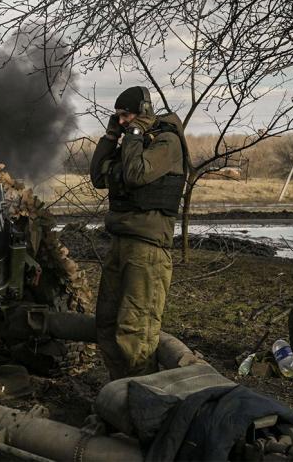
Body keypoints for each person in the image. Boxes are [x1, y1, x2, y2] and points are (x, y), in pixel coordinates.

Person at [89, 86, 187, 380]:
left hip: (148, 250)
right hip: (121, 242)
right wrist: (110, 139)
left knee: (136, 332)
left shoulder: (166, 142)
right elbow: (97, 177)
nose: (122, 122)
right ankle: (118, 397)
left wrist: (132, 136)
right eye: (117, 117)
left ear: (143, 113)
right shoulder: (133, 143)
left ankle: (142, 404)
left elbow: (135, 174)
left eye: (126, 115)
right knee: (106, 325)